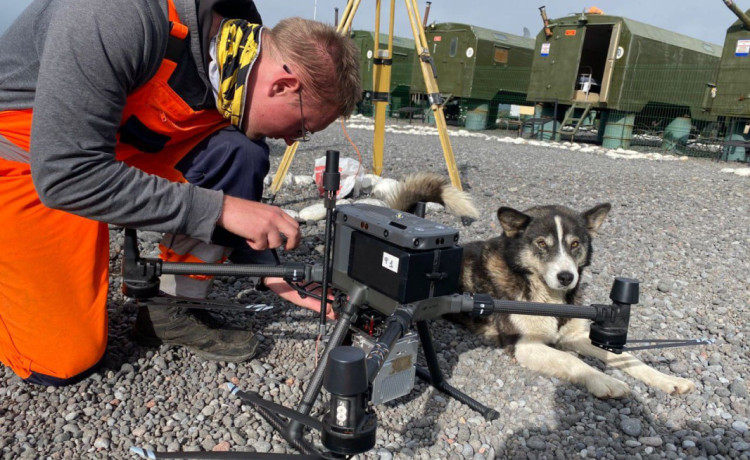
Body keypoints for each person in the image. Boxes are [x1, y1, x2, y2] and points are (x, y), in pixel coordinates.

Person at [0, 0, 361, 386]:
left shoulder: (240, 41)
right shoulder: (114, 15)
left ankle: (172, 309)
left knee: (241, 151)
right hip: (34, 152)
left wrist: (269, 269)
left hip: (124, 136)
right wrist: (219, 210)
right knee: (62, 361)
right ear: (283, 85)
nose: (293, 140)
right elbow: (66, 174)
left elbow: (231, 167)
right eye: (303, 127)